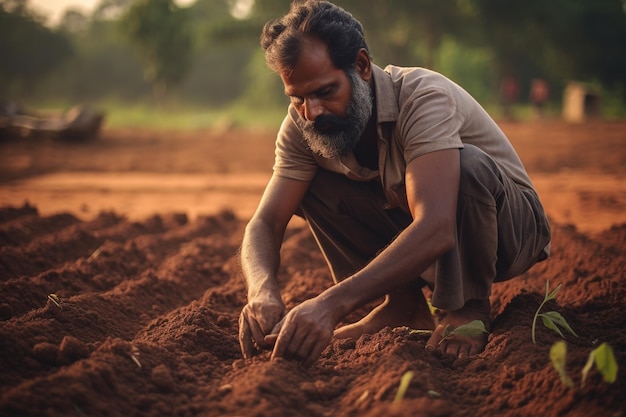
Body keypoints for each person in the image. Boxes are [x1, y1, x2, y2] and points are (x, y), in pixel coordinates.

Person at [238, 0, 551, 367]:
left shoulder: (421, 96)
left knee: (466, 165)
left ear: (361, 66)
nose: (311, 111)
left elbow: (436, 227)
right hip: (428, 223)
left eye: (325, 91)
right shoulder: (302, 125)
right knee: (313, 187)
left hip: (509, 230)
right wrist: (262, 292)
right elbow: (265, 222)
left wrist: (330, 304)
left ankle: (469, 308)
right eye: (298, 97)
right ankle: (403, 306)